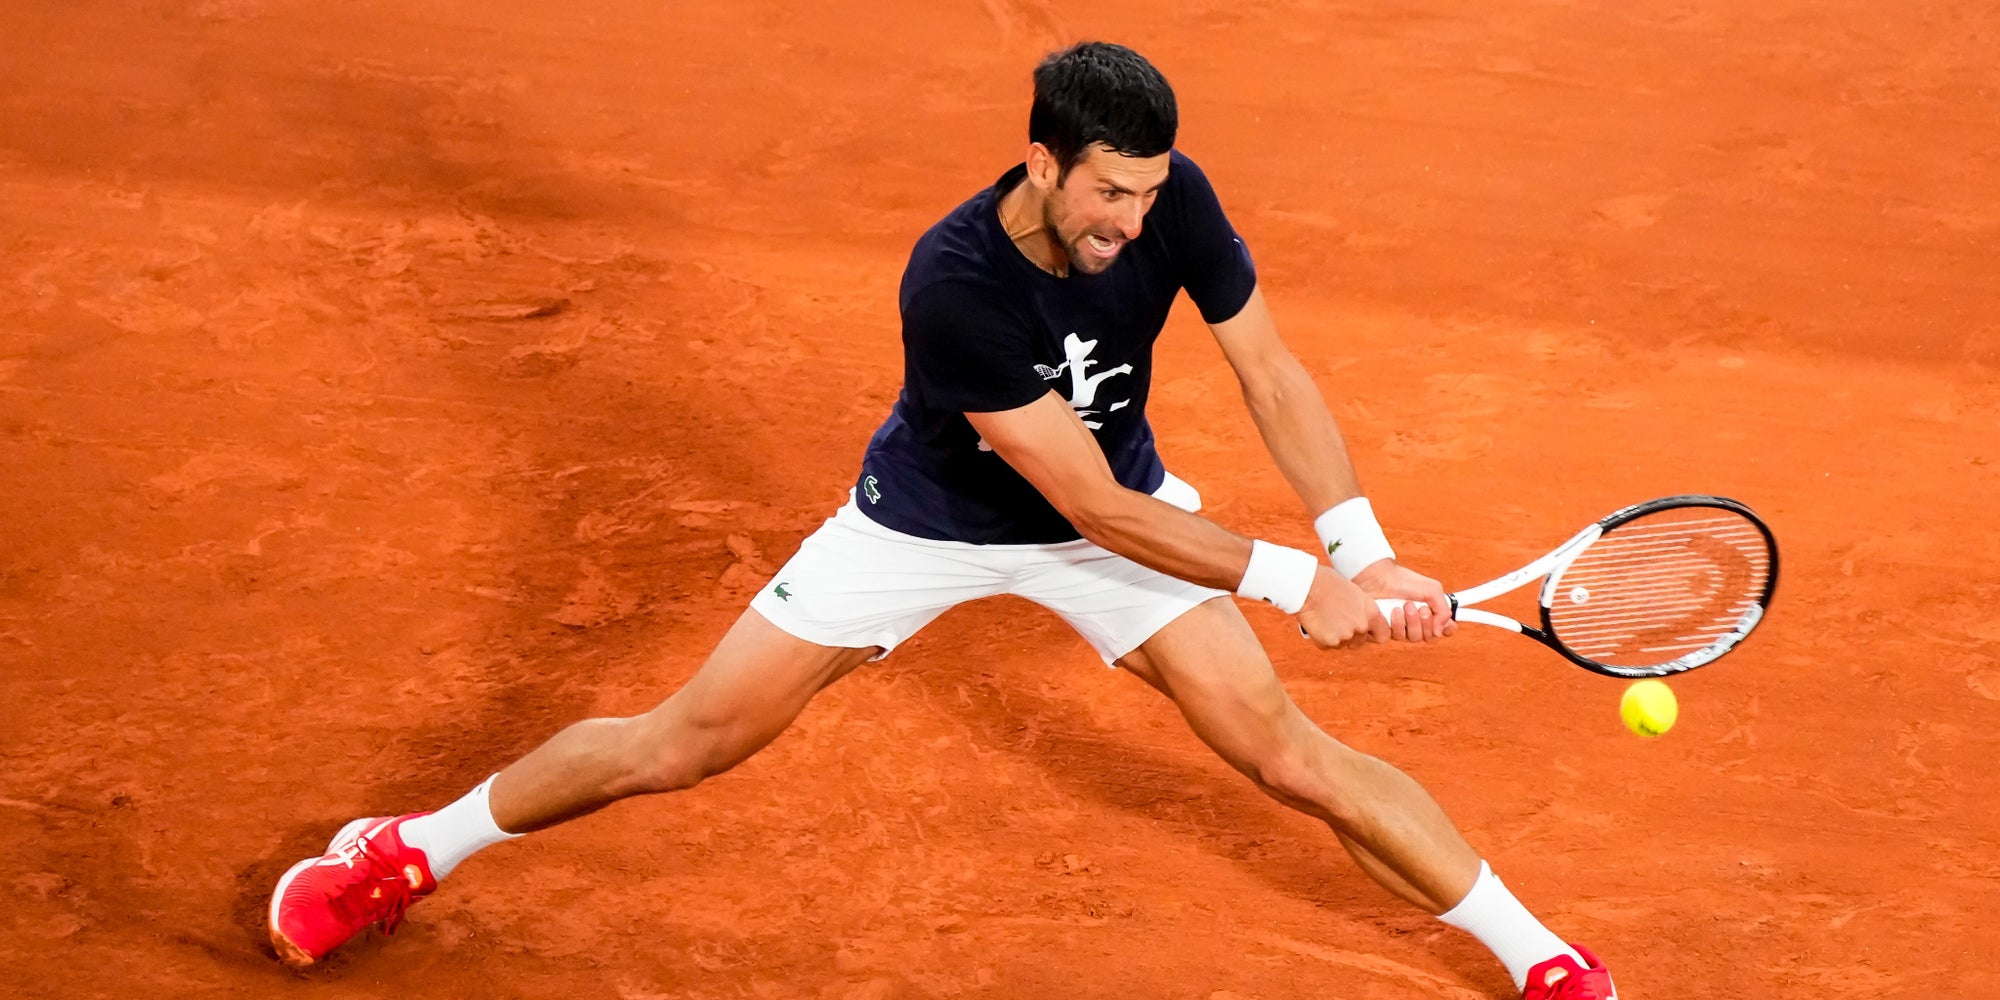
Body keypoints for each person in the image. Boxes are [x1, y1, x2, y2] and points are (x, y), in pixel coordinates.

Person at [268, 41, 1615, 999]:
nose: (1131, 221)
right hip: (929, 526)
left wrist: (1360, 545)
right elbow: (1076, 499)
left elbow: (1265, 365)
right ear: (1040, 162)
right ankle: (410, 852)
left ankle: (1541, 958)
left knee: (1287, 755)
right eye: (1107, 195)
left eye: (1148, 195)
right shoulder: (954, 280)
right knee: (685, 743)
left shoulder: (1170, 197)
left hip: (1124, 524)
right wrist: (1284, 573)